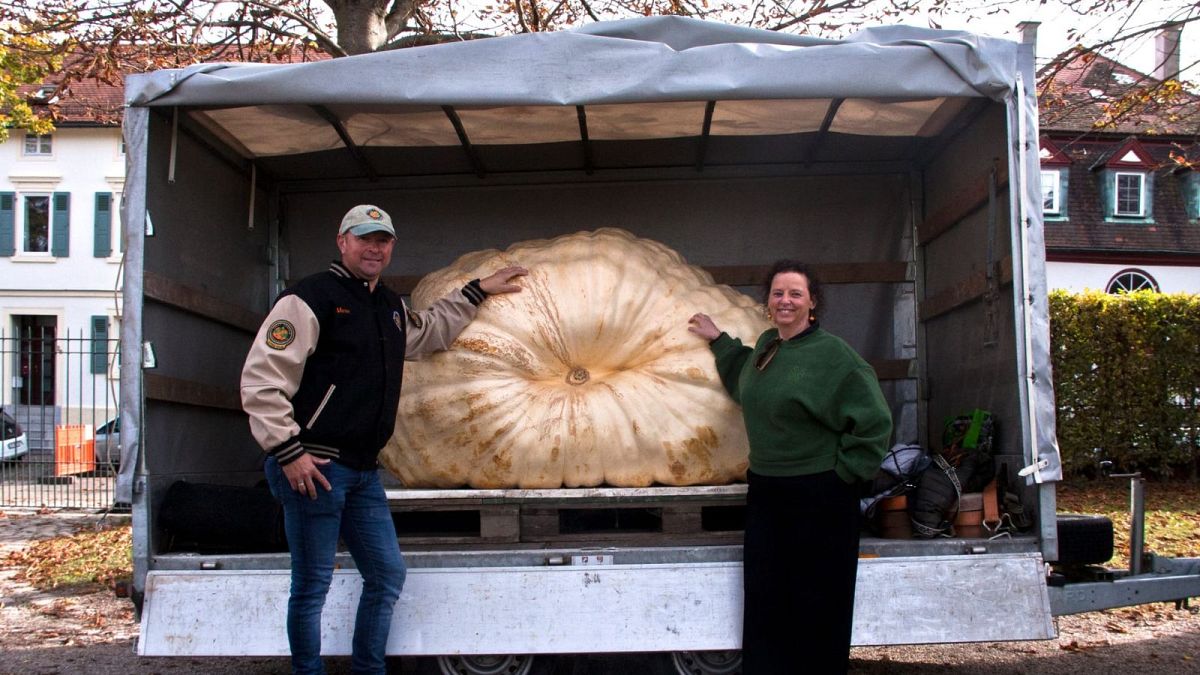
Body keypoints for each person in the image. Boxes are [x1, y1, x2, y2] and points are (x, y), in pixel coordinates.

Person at [240, 204, 527, 675]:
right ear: (342, 241)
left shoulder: (388, 306)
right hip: (315, 467)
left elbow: (429, 332)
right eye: (364, 238)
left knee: (386, 575)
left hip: (363, 472)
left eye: (383, 240)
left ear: (391, 247)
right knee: (312, 586)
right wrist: (288, 451)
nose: (374, 247)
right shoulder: (308, 299)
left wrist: (475, 292)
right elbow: (261, 381)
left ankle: (368, 669)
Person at [688, 260, 892, 674]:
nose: (785, 300)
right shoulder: (768, 345)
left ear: (812, 303)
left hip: (821, 493)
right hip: (767, 490)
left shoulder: (834, 356)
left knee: (818, 599)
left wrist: (845, 476)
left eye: (795, 293)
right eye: (778, 293)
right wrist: (719, 342)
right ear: (768, 302)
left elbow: (874, 422)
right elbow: (746, 378)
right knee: (766, 596)